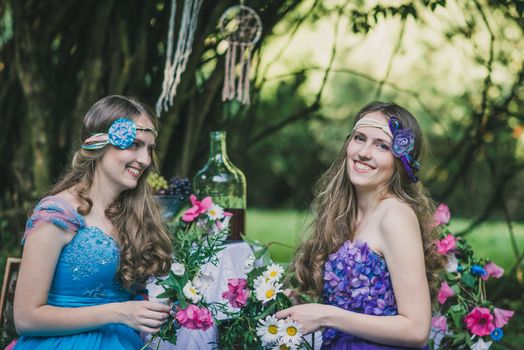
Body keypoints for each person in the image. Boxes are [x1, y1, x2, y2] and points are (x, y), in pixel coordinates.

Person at [277, 102, 444, 349]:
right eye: (360, 138)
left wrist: (325, 315)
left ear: (401, 162)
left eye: (382, 145)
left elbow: (417, 329)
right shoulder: (343, 214)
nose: (364, 152)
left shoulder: (395, 216)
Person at [13, 95, 173, 349]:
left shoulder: (136, 215)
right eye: (134, 144)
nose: (145, 160)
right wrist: (119, 313)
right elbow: (24, 318)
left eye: (150, 148)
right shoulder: (57, 214)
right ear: (99, 144)